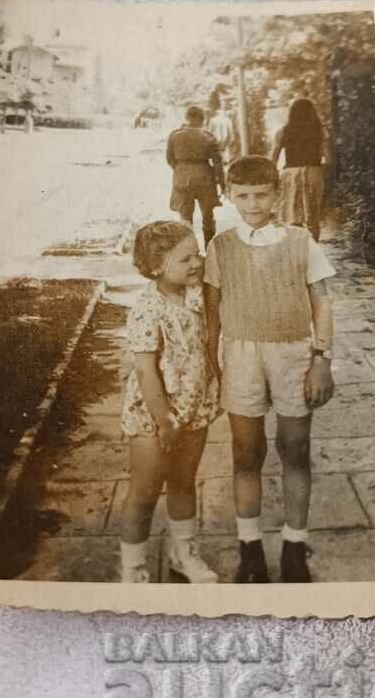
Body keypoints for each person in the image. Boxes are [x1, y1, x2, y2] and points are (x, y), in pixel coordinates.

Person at [204, 156, 335, 584]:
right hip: (241, 357)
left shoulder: (302, 242)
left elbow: (322, 304)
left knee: (295, 449)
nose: (253, 204)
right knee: (246, 453)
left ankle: (295, 545)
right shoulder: (220, 246)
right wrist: (212, 365)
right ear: (228, 196)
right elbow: (211, 315)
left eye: (261, 194)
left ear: (278, 195)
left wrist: (321, 360)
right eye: (242, 196)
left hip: (294, 355)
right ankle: (251, 549)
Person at [119, 220, 220, 584]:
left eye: (197, 254)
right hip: (154, 415)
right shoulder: (148, 308)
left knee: (183, 482)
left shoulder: (196, 294)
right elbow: (146, 371)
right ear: (157, 266)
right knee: (143, 494)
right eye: (185, 259)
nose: (196, 263)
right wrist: (165, 422)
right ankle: (132, 569)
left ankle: (184, 554)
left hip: (193, 408)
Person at [166, 105, 225, 247]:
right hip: (204, 178)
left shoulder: (175, 136)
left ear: (186, 118)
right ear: (202, 120)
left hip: (182, 178)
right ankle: (209, 249)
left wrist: (181, 169)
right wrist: (222, 183)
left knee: (185, 217)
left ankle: (189, 250)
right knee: (208, 216)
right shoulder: (208, 137)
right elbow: (218, 163)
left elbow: (169, 159)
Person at [271, 97, 324, 241]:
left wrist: (272, 174)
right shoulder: (319, 131)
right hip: (313, 172)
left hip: (291, 175)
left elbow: (274, 156)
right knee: (313, 216)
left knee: (293, 215)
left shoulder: (283, 131)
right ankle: (314, 249)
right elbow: (325, 154)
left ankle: (298, 251)